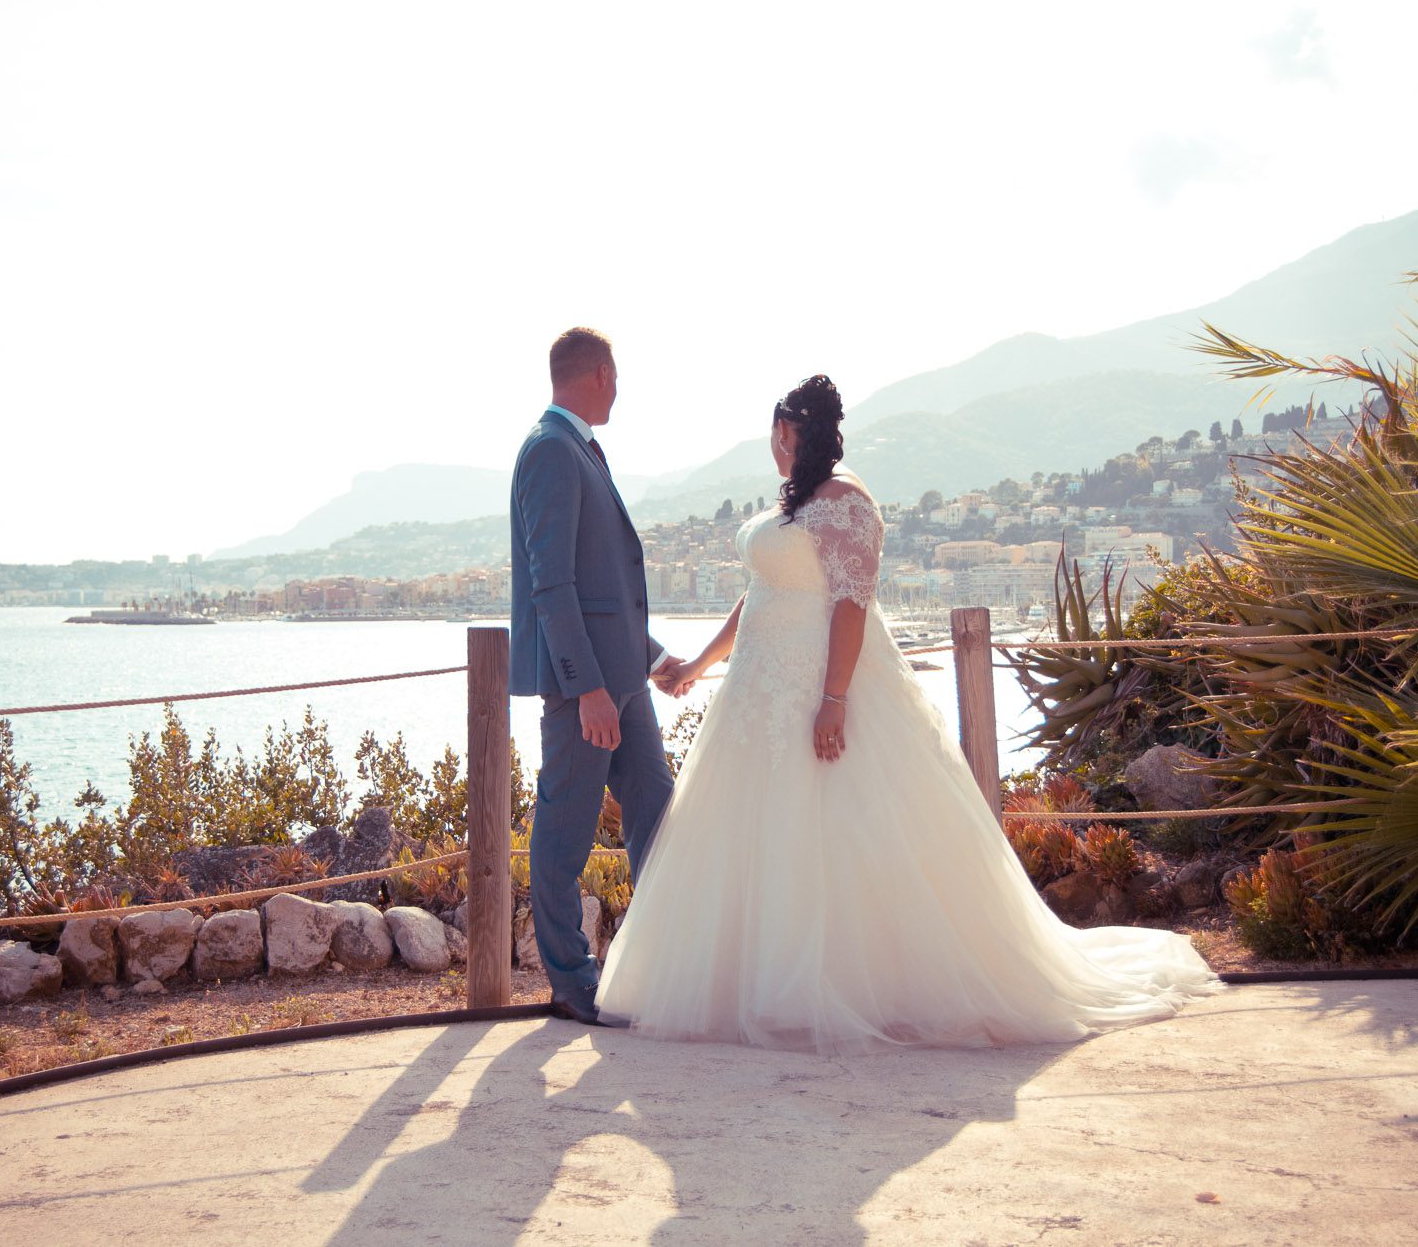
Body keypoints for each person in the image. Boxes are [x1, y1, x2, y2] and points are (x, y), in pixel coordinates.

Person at [596, 374, 1219, 1053]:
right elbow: (760, 594)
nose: (773, 443)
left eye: (778, 430)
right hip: (754, 698)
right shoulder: (789, 504)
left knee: (838, 827)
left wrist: (833, 700)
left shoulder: (849, 504)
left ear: (795, 431)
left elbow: (851, 605)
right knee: (753, 832)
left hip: (814, 689)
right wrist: (697, 666)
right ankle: (751, 984)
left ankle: (842, 989)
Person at [509, 326, 688, 1025]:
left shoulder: (580, 447)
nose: (620, 387)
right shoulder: (552, 450)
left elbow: (601, 588)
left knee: (657, 809)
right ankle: (571, 983)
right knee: (564, 833)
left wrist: (650, 658)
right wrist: (585, 687)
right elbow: (552, 585)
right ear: (600, 373)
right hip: (583, 691)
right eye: (617, 375)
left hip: (624, 685)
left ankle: (665, 960)